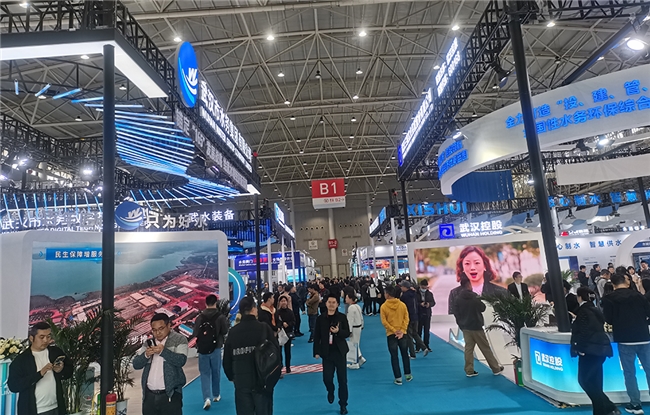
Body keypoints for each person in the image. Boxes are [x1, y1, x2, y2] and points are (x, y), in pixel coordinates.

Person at [602, 273, 650, 415]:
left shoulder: (608, 299)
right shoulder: (638, 296)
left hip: (625, 339)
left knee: (629, 373)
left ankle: (635, 404)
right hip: (644, 337)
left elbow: (608, 319)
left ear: (613, 284)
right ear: (626, 282)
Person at [223, 296, 279, 415]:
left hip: (241, 382)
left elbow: (227, 360)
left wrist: (232, 377)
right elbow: (276, 354)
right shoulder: (264, 328)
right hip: (263, 380)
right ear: (253, 309)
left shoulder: (233, 332)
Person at [571, 287, 620, 415]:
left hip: (589, 351)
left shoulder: (583, 311)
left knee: (585, 381)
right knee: (595, 382)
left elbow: (584, 332)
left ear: (579, 297)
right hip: (600, 350)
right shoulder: (595, 309)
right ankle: (602, 410)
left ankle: (608, 407)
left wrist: (579, 348)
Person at [8, 321, 73, 415]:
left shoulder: (55, 352)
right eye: (41, 337)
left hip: (56, 407)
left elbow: (69, 370)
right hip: (34, 410)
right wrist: (39, 374)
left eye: (48, 336)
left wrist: (61, 370)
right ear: (31, 338)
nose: (46, 340)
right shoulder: (21, 360)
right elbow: (13, 386)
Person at [133, 313, 188, 415]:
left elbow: (181, 360)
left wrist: (163, 352)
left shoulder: (179, 339)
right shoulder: (148, 343)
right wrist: (145, 355)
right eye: (154, 330)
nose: (158, 333)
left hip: (170, 395)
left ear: (169, 326)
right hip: (149, 396)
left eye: (161, 328)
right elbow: (136, 365)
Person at [453, 276, 504, 377]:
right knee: (485, 348)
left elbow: (456, 313)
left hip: (465, 327)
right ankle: (495, 368)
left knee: (468, 349)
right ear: (468, 284)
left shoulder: (457, 298)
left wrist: (461, 324)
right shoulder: (474, 297)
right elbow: (482, 308)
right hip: (476, 326)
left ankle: (469, 370)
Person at [314, 294, 351, 415]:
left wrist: (338, 331)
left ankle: (343, 404)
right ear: (326, 304)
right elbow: (317, 336)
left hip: (340, 352)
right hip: (327, 353)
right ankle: (330, 390)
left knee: (342, 380)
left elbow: (347, 333)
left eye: (333, 302)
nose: (331, 304)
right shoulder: (320, 319)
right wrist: (316, 351)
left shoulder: (342, 317)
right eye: (329, 302)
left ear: (337, 304)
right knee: (327, 378)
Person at [193, 294, 229, 410]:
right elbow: (225, 331)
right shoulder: (220, 317)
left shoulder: (200, 317)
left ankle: (206, 397)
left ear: (206, 303)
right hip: (216, 347)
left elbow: (195, 333)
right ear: (216, 303)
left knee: (204, 373)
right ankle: (216, 395)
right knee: (216, 371)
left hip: (203, 349)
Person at [447, 246, 508, 314]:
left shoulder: (501, 293)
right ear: (462, 268)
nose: (472, 268)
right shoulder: (455, 294)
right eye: (467, 263)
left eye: (477, 263)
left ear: (484, 266)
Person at [380, 285, 412, 385]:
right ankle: (408, 375)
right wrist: (402, 330)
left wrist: (394, 331)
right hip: (403, 334)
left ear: (387, 294)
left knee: (394, 356)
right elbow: (406, 318)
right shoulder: (402, 305)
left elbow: (384, 322)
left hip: (391, 334)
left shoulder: (383, 307)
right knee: (405, 354)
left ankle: (398, 378)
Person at [399, 281, 429, 358]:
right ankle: (424, 347)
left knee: (409, 336)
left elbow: (401, 306)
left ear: (405, 287)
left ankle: (412, 354)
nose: (401, 288)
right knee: (415, 333)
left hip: (408, 317)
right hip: (416, 317)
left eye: (402, 286)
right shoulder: (414, 294)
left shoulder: (404, 296)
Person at [344, 289, 365, 369]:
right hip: (358, 327)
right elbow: (361, 317)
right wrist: (362, 325)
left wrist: (348, 331)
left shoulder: (351, 308)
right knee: (356, 344)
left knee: (354, 345)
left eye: (346, 298)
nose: (345, 299)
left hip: (354, 328)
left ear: (350, 298)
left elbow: (350, 321)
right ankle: (360, 359)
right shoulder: (357, 306)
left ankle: (355, 362)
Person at [276, 296, 295, 374]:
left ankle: (288, 367)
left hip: (288, 333)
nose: (283, 302)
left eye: (285, 301)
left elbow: (294, 321)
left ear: (287, 302)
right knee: (279, 351)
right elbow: (276, 322)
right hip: (280, 334)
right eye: (282, 301)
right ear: (279, 302)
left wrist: (288, 324)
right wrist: (281, 324)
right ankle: (280, 366)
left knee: (288, 351)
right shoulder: (277, 313)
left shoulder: (290, 312)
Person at [417, 279, 435, 352]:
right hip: (419, 314)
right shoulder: (416, 293)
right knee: (418, 331)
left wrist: (429, 304)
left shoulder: (429, 294)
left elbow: (433, 302)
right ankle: (418, 346)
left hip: (427, 314)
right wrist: (419, 304)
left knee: (427, 331)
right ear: (420, 286)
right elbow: (414, 303)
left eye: (425, 287)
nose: (424, 289)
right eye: (423, 287)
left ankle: (426, 345)